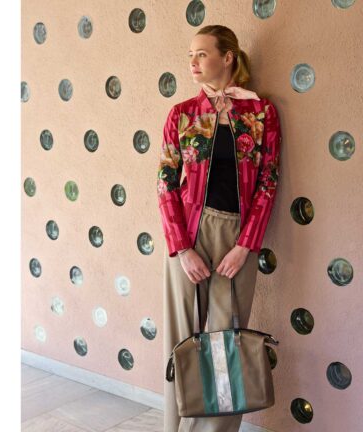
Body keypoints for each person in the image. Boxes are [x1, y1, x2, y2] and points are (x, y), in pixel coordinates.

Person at [157, 25, 282, 432]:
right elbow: (165, 183)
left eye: (201, 54)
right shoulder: (182, 114)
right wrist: (181, 248)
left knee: (227, 344)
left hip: (237, 240)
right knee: (180, 341)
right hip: (188, 236)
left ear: (227, 57)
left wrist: (246, 246)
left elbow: (268, 182)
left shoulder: (261, 113)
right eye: (190, 55)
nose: (193, 63)